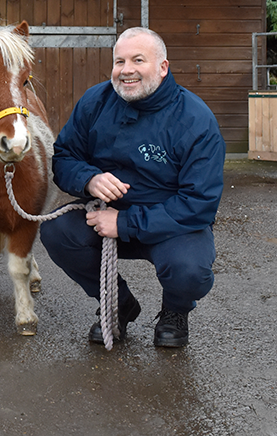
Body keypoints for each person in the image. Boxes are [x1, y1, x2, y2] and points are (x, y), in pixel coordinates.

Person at [39, 27, 225, 348]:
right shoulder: (94, 102)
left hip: (170, 226)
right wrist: (89, 179)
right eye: (119, 61)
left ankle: (174, 312)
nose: (126, 70)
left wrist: (124, 223)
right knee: (57, 231)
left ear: (163, 67)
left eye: (138, 60)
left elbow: (199, 203)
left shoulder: (196, 120)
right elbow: (65, 157)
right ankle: (118, 303)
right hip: (105, 216)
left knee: (189, 270)